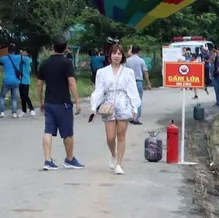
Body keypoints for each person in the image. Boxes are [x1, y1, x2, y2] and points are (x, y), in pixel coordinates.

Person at [89, 44, 140, 173]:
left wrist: (134, 107)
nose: (116, 56)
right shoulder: (102, 72)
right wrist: (94, 106)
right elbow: (99, 90)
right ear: (110, 56)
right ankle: (113, 154)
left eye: (119, 53)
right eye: (114, 53)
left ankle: (119, 164)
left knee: (121, 135)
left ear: (122, 56)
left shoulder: (128, 72)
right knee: (110, 137)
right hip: (108, 104)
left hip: (124, 103)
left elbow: (133, 90)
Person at [37, 37, 83, 171]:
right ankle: (69, 159)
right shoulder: (67, 63)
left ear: (53, 46)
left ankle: (47, 160)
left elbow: (39, 84)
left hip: (49, 102)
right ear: (66, 47)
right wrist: (77, 101)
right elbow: (72, 82)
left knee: (48, 131)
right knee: (67, 132)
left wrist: (40, 101)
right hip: (63, 103)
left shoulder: (44, 64)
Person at [125, 47, 148, 123]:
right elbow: (145, 72)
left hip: (129, 83)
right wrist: (148, 83)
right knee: (138, 100)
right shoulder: (141, 61)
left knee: (130, 100)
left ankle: (131, 117)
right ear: (139, 52)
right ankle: (136, 118)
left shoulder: (127, 61)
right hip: (138, 82)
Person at [0, 47, 21, 118]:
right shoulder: (18, 57)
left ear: (8, 51)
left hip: (7, 80)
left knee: (2, 96)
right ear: (15, 51)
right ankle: (14, 113)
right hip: (16, 81)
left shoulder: (4, 58)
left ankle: (2, 112)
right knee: (14, 98)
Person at [17, 47, 35, 117]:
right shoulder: (21, 59)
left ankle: (32, 109)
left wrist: (20, 54)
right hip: (20, 81)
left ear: (27, 53)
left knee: (25, 96)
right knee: (22, 97)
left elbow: (21, 58)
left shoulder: (27, 59)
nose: (23, 52)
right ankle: (24, 110)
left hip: (26, 81)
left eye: (24, 51)